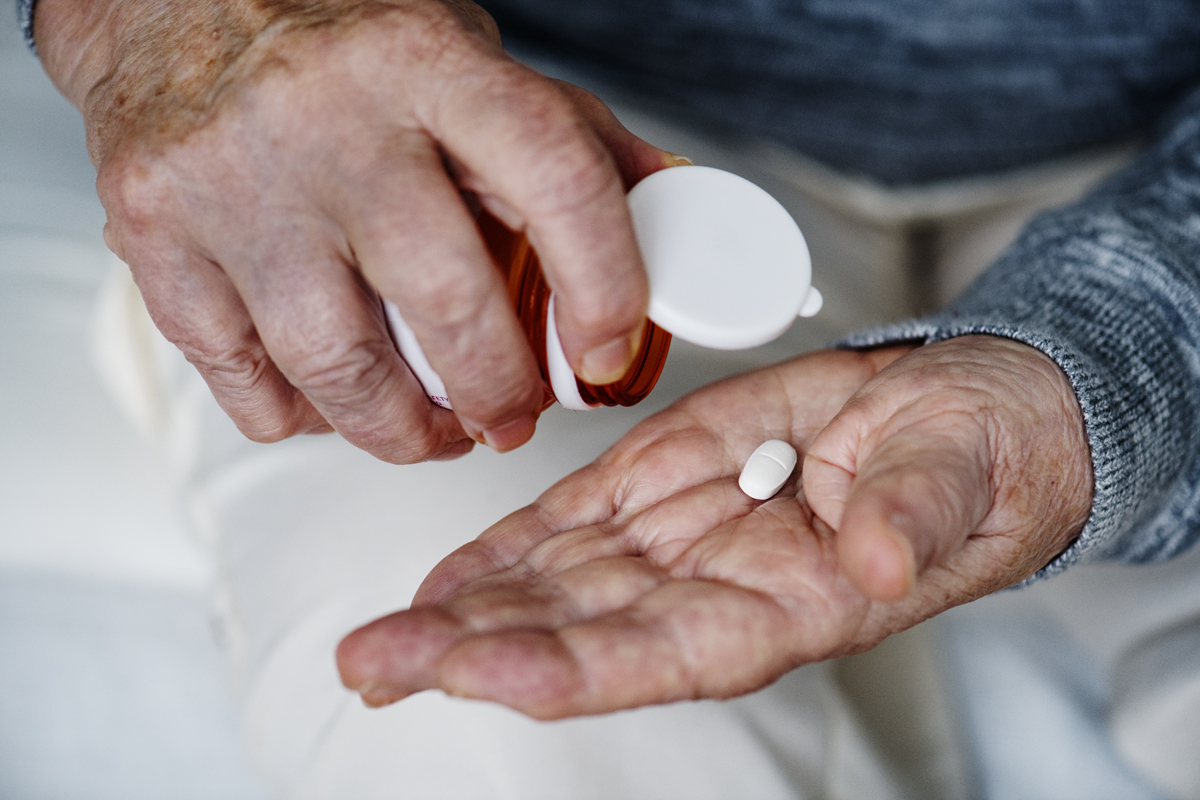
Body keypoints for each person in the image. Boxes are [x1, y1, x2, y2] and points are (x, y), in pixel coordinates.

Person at [19, 0, 1200, 774]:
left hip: (1159, 159)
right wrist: (166, 27)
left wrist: (1122, 336)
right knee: (479, 713)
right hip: (488, 120)